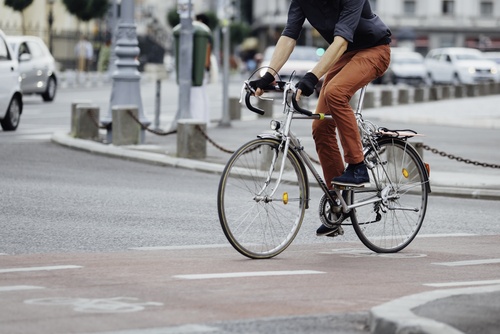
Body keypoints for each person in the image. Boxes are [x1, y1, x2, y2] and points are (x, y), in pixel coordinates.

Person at [249, 0, 391, 237]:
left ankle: (358, 166)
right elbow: (289, 36)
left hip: (374, 51)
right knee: (321, 125)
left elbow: (341, 40)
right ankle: (339, 203)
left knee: (335, 93)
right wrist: (269, 75)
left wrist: (312, 77)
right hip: (345, 55)